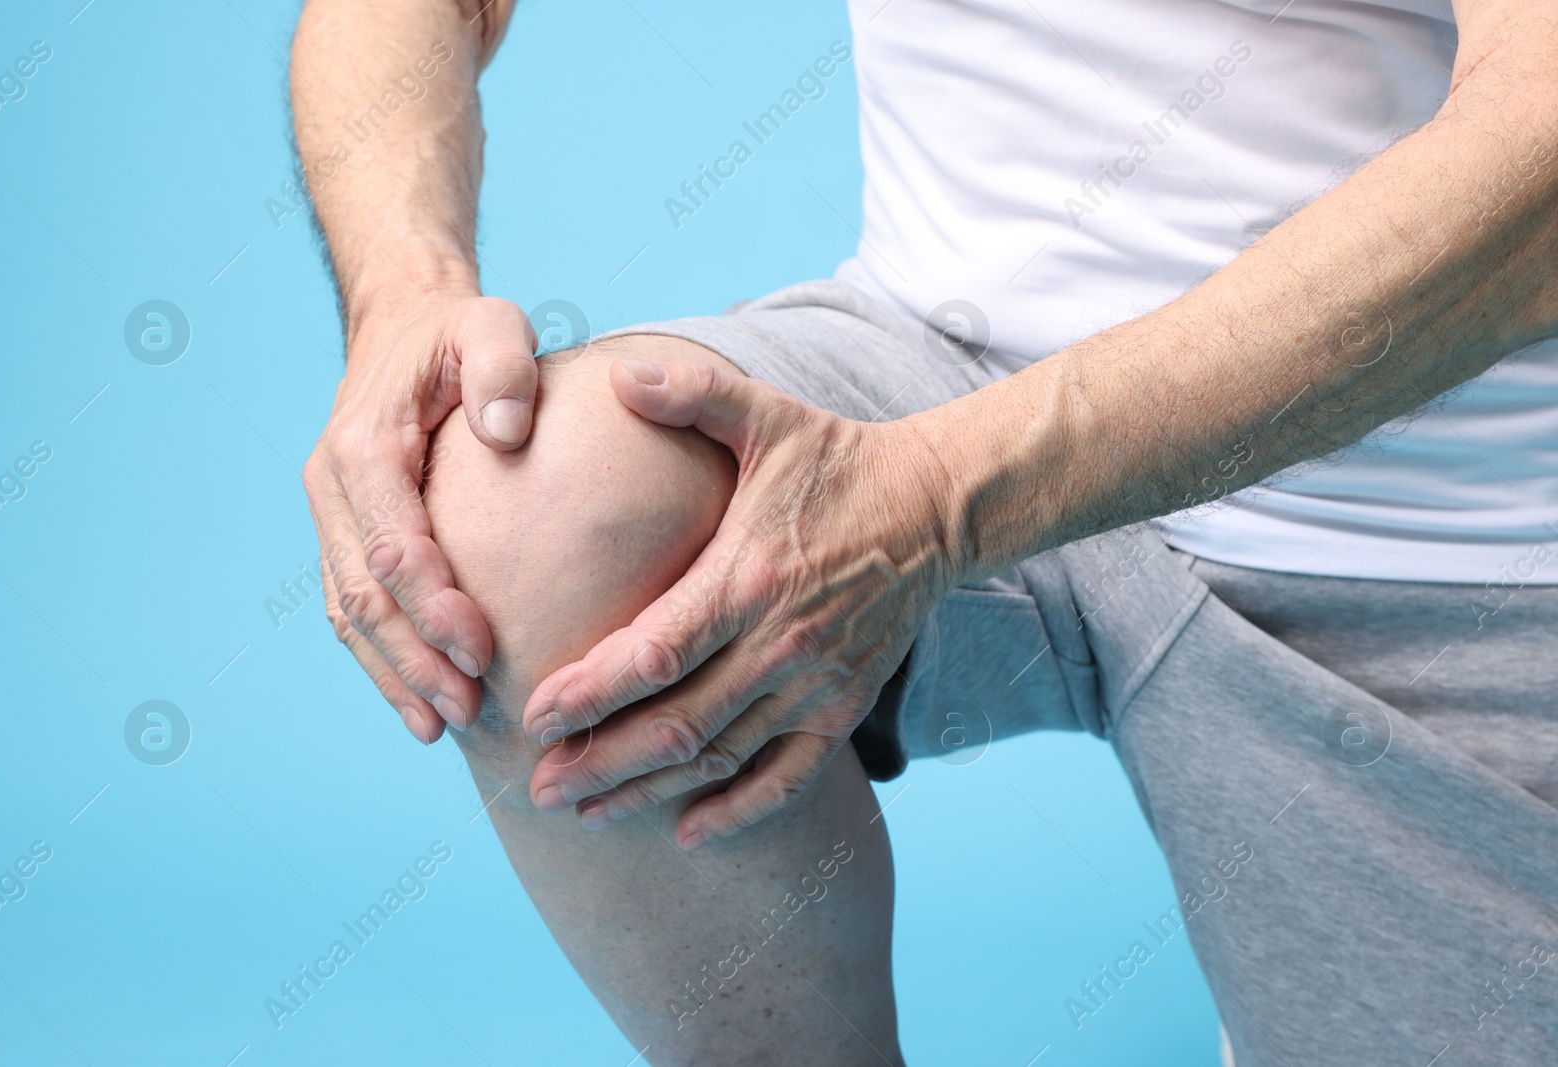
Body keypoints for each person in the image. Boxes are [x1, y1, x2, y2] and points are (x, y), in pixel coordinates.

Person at [292, 0, 1558, 1063]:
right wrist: (403, 296)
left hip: (1436, 511)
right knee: (536, 502)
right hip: (933, 368)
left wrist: (947, 496)